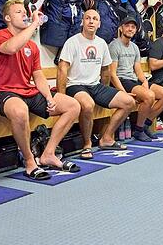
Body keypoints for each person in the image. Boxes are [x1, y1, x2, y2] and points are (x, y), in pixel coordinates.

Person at [0, 0, 82, 181]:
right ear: (7, 17)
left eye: (25, 11)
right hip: (2, 92)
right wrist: (35, 23)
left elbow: (38, 75)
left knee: (73, 106)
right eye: (18, 12)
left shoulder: (32, 46)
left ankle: (49, 153)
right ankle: (30, 162)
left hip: (28, 91)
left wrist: (48, 97)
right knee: (20, 111)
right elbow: (13, 47)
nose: (24, 15)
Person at [57, 9, 135, 159]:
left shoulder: (101, 44)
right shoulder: (72, 42)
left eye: (95, 19)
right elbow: (62, 69)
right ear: (82, 22)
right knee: (87, 105)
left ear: (99, 24)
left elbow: (106, 70)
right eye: (88, 18)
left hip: (95, 85)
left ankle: (106, 137)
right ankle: (87, 144)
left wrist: (104, 91)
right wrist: (61, 96)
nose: (91, 21)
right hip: (76, 85)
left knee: (128, 102)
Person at [108, 15, 163, 142]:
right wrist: (124, 93)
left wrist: (145, 81)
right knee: (149, 96)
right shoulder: (114, 46)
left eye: (133, 27)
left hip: (133, 80)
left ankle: (146, 125)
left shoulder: (135, 47)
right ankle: (139, 130)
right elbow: (112, 74)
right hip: (122, 80)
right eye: (127, 26)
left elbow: (138, 70)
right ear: (121, 28)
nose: (130, 29)